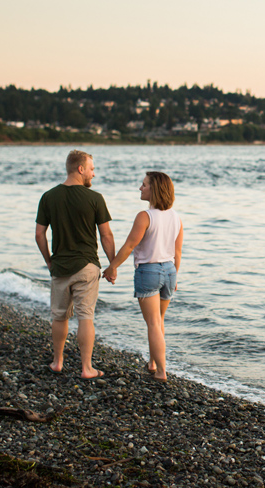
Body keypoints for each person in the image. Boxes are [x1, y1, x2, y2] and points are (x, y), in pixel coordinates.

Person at [35, 150, 115, 379]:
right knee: (85, 317)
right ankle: (86, 368)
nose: (93, 174)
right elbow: (106, 235)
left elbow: (40, 235)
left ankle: (58, 362)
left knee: (59, 316)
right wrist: (113, 265)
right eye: (91, 169)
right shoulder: (95, 198)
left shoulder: (48, 197)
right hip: (87, 266)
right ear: (80, 169)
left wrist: (49, 261)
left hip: (60, 267)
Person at [103, 171, 183, 382]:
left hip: (149, 271)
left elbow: (130, 245)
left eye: (144, 185)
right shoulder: (176, 217)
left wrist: (112, 267)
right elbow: (177, 252)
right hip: (169, 271)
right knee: (158, 321)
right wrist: (175, 277)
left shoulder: (145, 216)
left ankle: (161, 372)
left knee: (153, 323)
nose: (140, 188)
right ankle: (153, 362)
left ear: (154, 189)